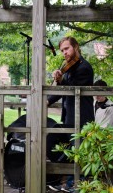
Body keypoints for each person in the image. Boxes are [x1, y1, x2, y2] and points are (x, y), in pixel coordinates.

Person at [47, 36, 94, 192]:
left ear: (76, 47)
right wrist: (48, 101)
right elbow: (63, 91)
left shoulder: (84, 68)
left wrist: (61, 80)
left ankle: (79, 186)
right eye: (62, 50)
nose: (64, 53)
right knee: (70, 152)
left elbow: (74, 90)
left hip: (82, 117)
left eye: (67, 49)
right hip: (69, 116)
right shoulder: (69, 68)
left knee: (79, 153)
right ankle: (69, 184)